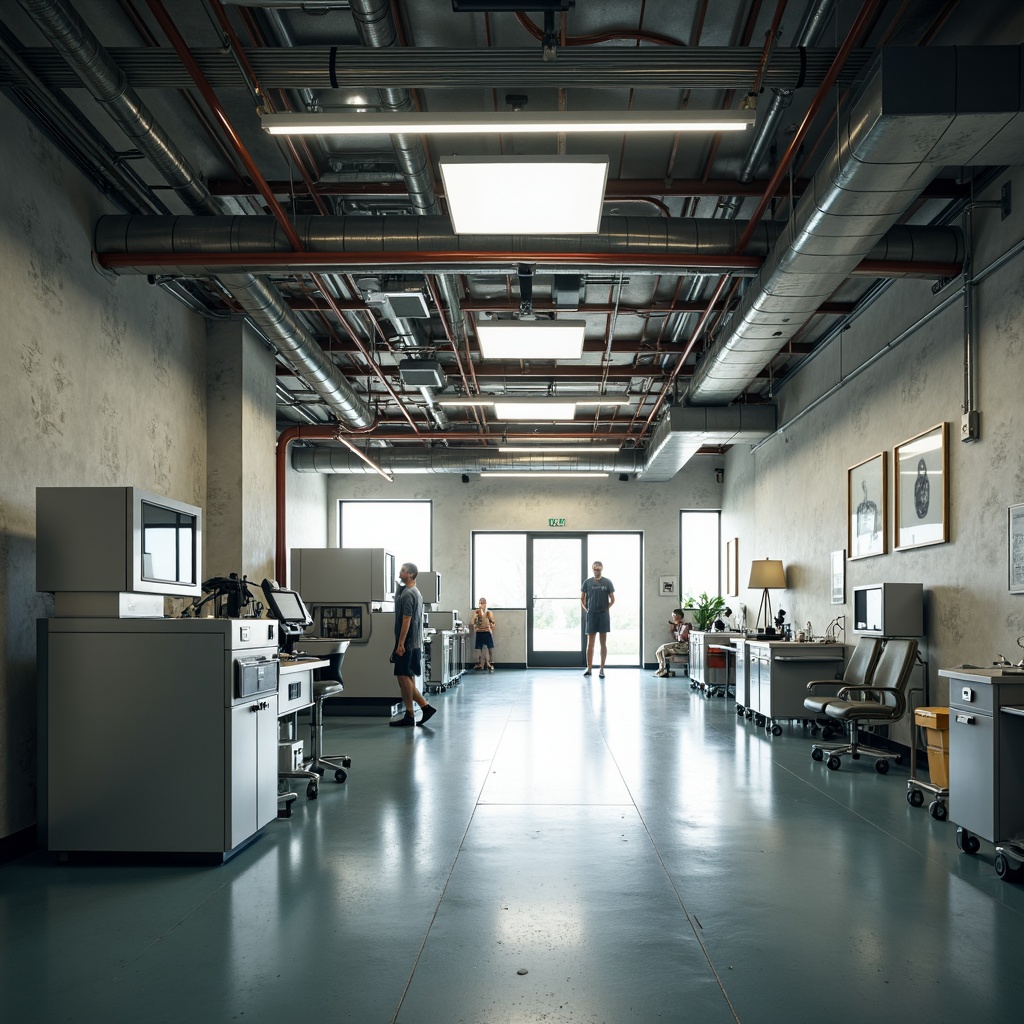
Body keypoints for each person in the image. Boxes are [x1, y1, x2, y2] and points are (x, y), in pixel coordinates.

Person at [388, 562, 437, 728]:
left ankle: (425, 706)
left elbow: (406, 619)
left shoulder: (408, 594)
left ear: (410, 574)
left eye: (402, 571)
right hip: (414, 642)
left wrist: (400, 643)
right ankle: (409, 714)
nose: (400, 573)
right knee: (406, 677)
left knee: (402, 676)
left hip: (407, 643)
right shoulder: (416, 592)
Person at [581, 560, 615, 678]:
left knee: (603, 642)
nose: (597, 571)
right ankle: (589, 668)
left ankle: (602, 669)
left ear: (602, 569)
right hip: (591, 615)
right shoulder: (587, 582)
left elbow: (612, 599)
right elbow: (582, 598)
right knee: (590, 643)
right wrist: (588, 610)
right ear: (592, 569)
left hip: (603, 616)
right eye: (595, 569)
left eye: (599, 569)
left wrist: (606, 608)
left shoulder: (607, 582)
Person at [654, 609, 690, 676]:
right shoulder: (678, 626)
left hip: (684, 646)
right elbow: (676, 638)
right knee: (659, 651)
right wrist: (673, 630)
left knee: (664, 647)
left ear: (679, 616)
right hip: (680, 645)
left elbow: (683, 639)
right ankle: (662, 669)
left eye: (674, 616)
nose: (673, 618)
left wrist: (678, 629)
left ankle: (663, 669)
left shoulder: (685, 625)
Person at [470, 597, 496, 671]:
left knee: (490, 648)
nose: (481, 604)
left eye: (483, 603)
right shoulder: (477, 612)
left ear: (485, 604)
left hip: (487, 632)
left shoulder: (488, 613)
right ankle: (481, 663)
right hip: (479, 632)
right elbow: (472, 622)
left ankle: (490, 663)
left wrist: (491, 628)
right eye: (480, 603)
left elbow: (493, 622)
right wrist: (474, 620)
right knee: (479, 649)